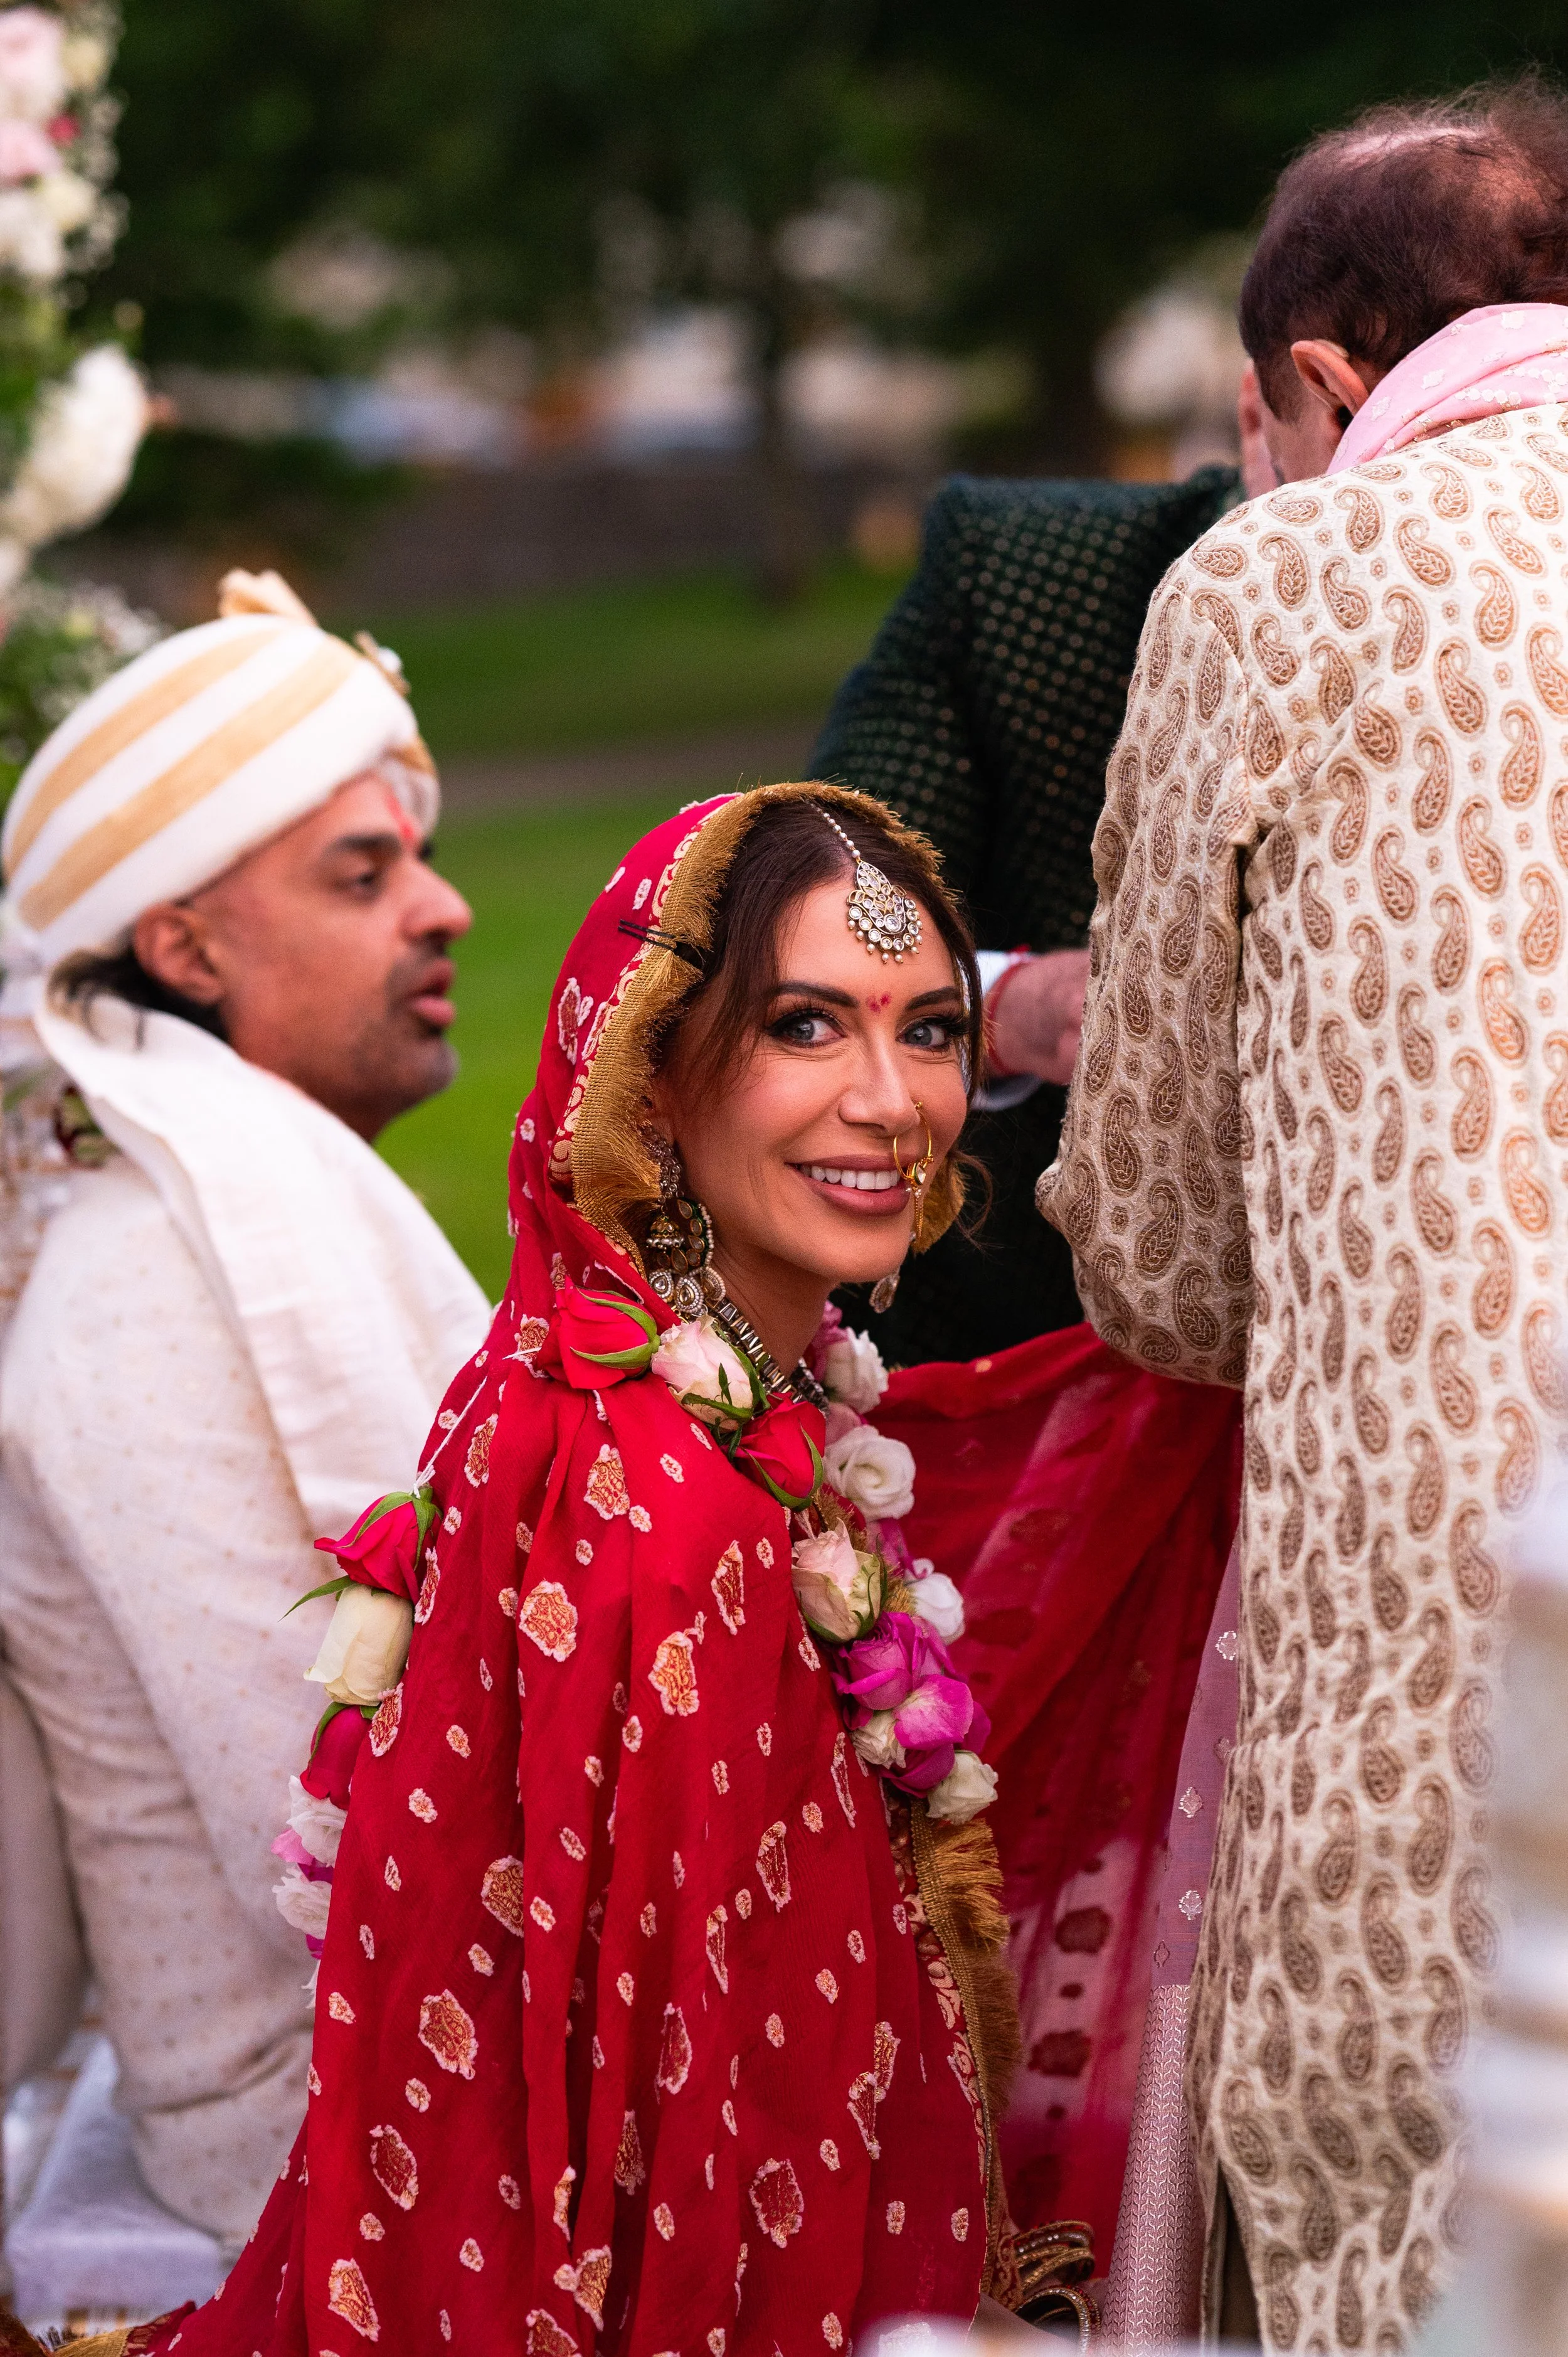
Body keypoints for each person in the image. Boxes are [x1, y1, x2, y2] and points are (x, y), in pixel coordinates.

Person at [97, 782, 1239, 2356]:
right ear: (650, 1065)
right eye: (803, 1027)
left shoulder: (703, 1401)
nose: (891, 1099)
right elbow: (677, 2107)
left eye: (923, 1031)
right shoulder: (646, 1501)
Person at [1039, 76, 1568, 2349]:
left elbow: (1161, 1256)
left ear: (1323, 387)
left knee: (1425, 2231)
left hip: (1456, 1672)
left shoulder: (1284, 575)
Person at [0, 570, 490, 2248]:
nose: (448, 908)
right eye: (366, 873)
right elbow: (323, 1832)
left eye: (415, 854)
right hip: (310, 2114)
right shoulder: (138, 1293)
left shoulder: (233, 1210)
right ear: (183, 943)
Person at [812, 460, 1244, 1363]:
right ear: (1278, 405)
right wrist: (1004, 1011)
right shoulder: (1036, 574)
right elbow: (806, 919)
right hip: (1015, 1348)